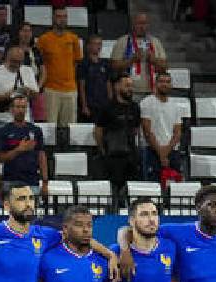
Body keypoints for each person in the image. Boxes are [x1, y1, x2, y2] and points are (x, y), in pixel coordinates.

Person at [96, 72, 141, 201]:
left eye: (131, 86)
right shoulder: (107, 108)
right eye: (126, 86)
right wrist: (103, 149)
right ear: (116, 87)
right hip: (113, 156)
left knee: (132, 188)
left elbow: (136, 129)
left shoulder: (135, 107)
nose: (130, 89)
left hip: (131, 155)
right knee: (114, 189)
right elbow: (98, 131)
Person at [35, 6, 82, 124]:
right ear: (53, 18)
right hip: (51, 89)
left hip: (70, 89)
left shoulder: (73, 38)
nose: (62, 19)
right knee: (51, 127)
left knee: (69, 128)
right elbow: (38, 63)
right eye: (59, 16)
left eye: (65, 17)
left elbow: (76, 63)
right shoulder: (44, 39)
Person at [0, 92, 47, 191]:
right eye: (18, 107)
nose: (21, 110)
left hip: (32, 181)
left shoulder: (36, 130)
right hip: (10, 180)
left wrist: (45, 182)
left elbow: (41, 157)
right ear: (11, 110)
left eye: (23, 107)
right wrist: (18, 150)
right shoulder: (3, 131)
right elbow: (0, 158)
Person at [138, 70, 182, 182]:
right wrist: (161, 154)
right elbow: (147, 132)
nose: (165, 84)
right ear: (155, 83)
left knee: (173, 189)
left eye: (168, 82)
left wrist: (166, 151)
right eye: (161, 81)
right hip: (151, 150)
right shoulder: (146, 103)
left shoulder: (175, 106)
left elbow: (177, 133)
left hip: (172, 151)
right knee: (152, 187)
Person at [111, 12, 167, 95]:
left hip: (152, 91)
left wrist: (155, 60)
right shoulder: (122, 41)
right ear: (133, 24)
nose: (142, 27)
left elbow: (165, 66)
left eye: (145, 23)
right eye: (139, 23)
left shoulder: (156, 42)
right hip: (129, 91)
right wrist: (131, 60)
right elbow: (114, 66)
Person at [0, 45, 39, 127]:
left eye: (20, 62)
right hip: (3, 120)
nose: (17, 64)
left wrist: (27, 91)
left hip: (25, 120)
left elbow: (36, 94)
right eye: (14, 61)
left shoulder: (28, 71)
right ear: (7, 58)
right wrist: (7, 96)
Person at [77, 35, 111, 122]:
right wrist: (84, 105)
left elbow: (108, 83)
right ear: (88, 46)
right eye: (96, 44)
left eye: (100, 44)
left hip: (103, 103)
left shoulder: (105, 63)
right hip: (90, 104)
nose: (98, 46)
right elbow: (82, 86)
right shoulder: (83, 63)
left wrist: (111, 102)